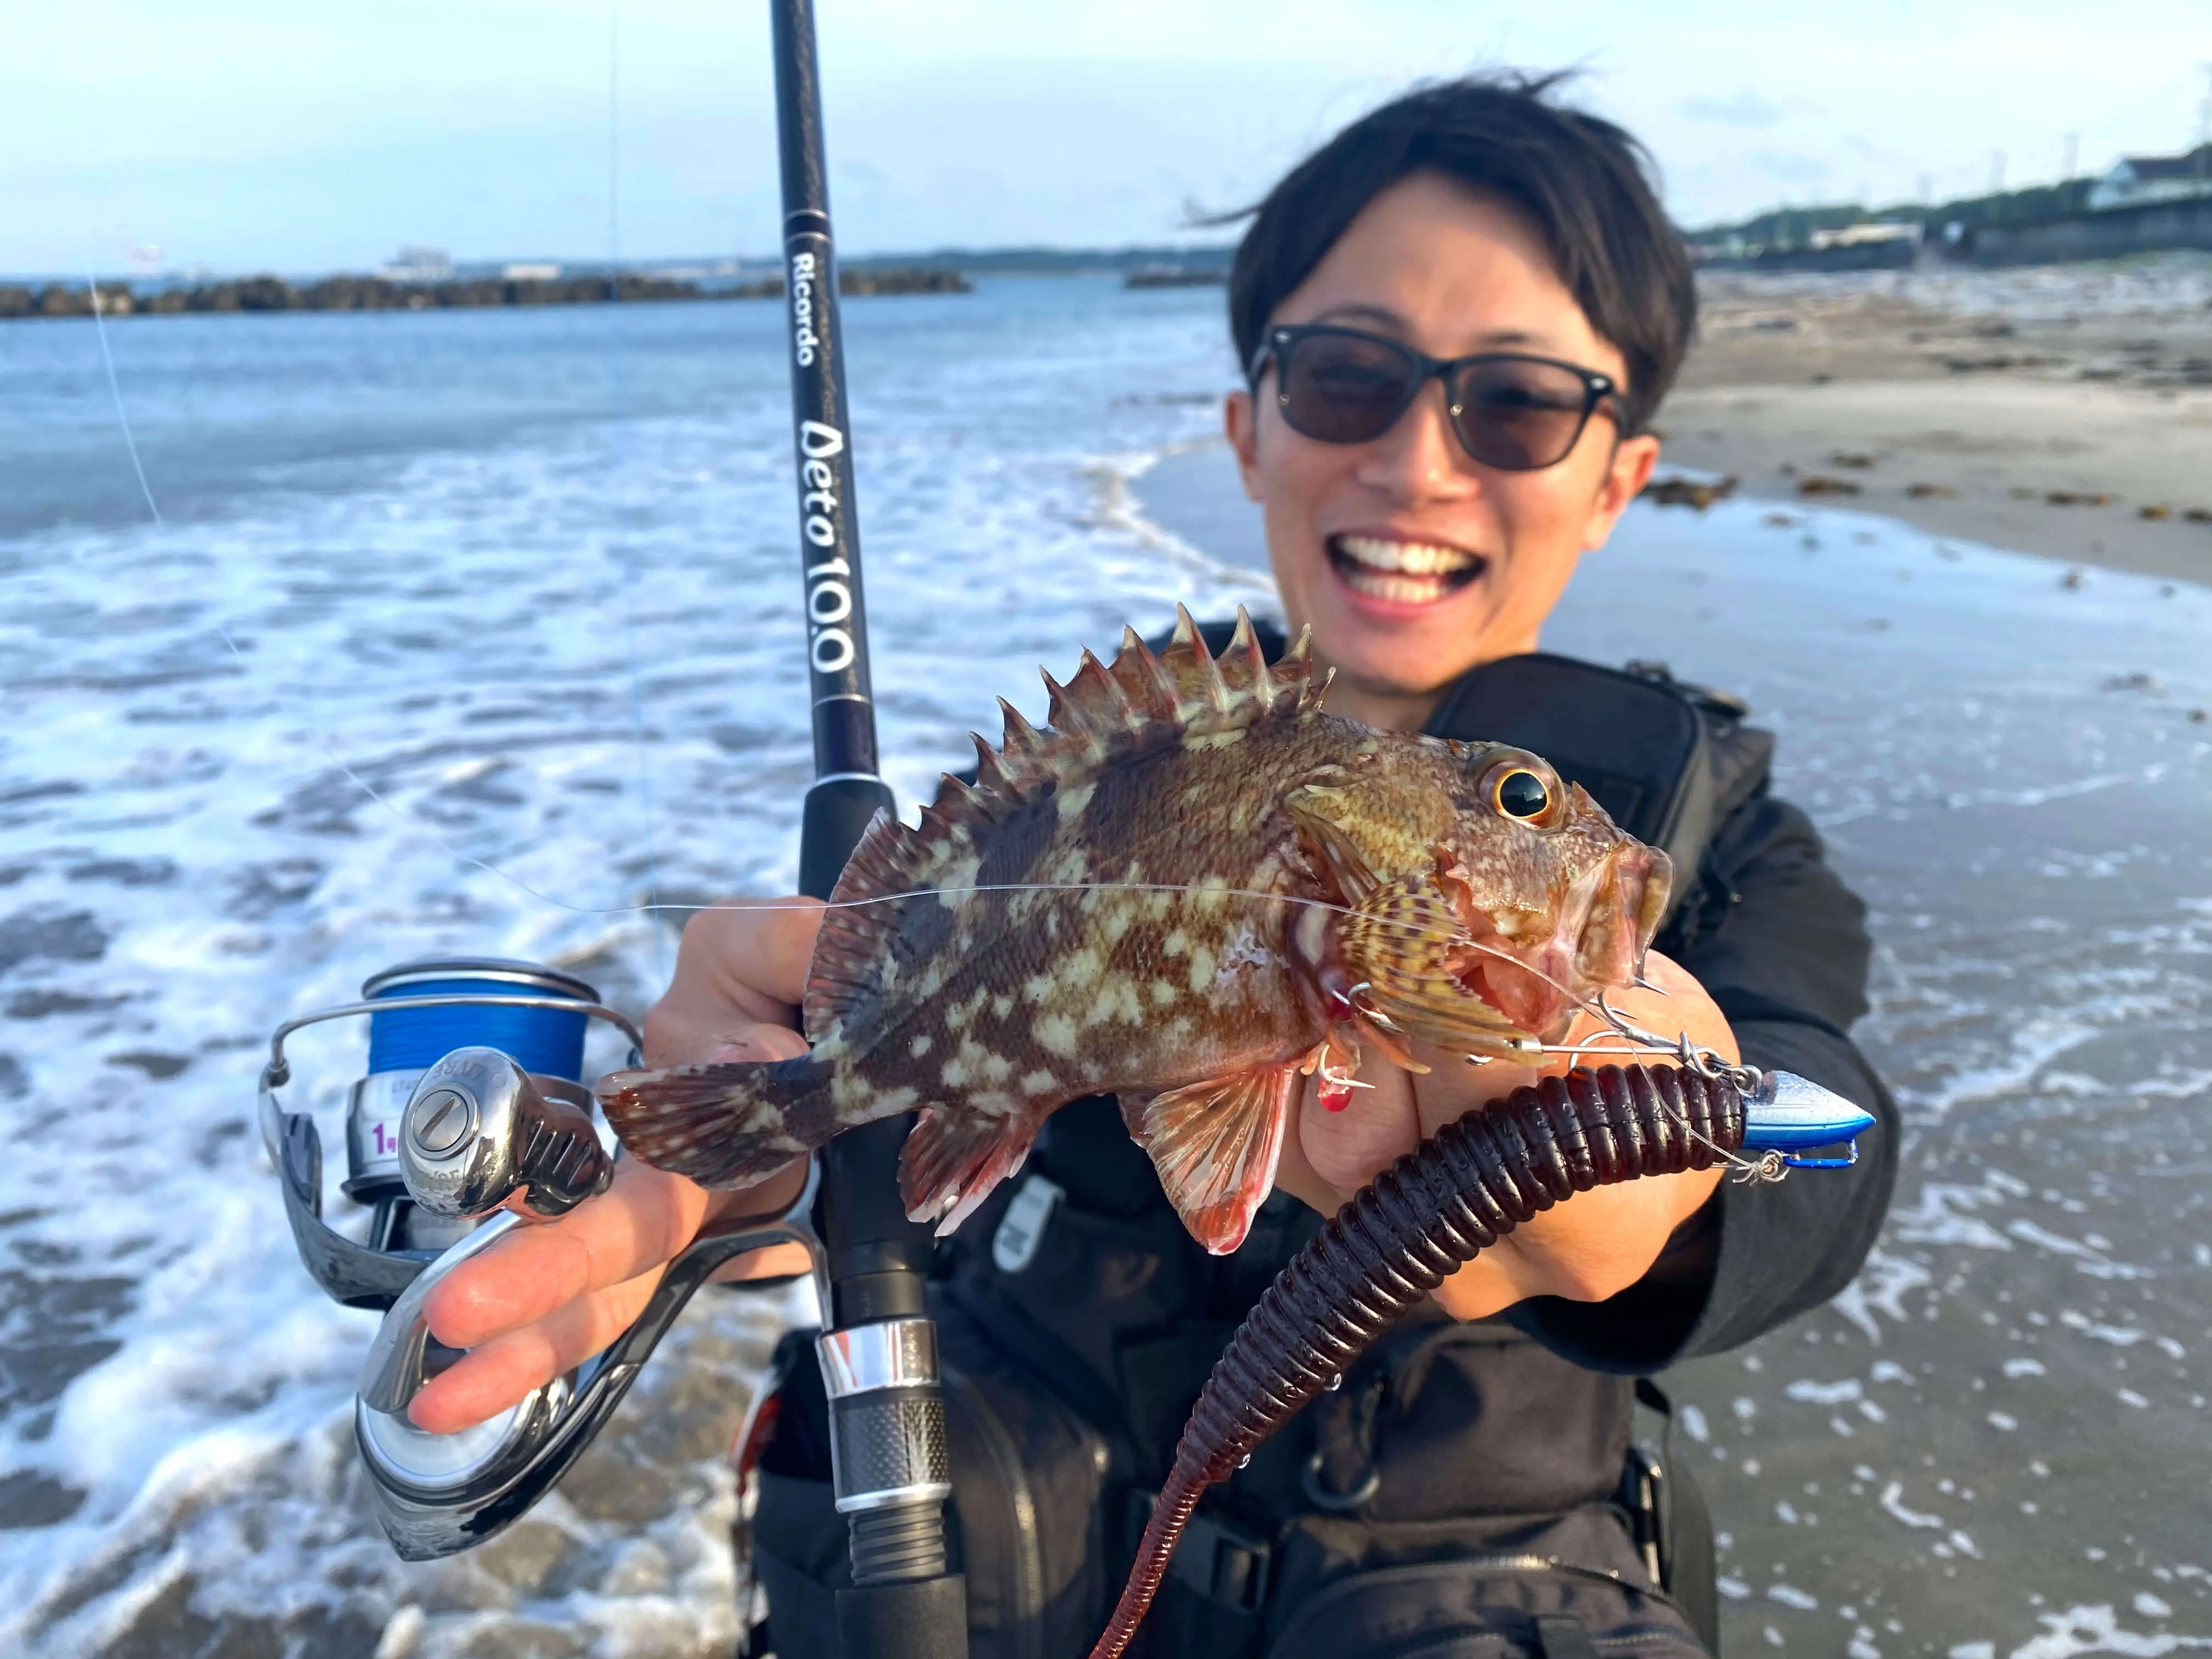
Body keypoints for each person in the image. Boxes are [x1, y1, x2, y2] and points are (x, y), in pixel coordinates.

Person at [406, 72, 1897, 1658]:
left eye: (1516, 404)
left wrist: (1668, 1146)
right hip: (1005, 1543)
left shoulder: (1733, 839)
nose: (1418, 461)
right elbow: (937, 1128)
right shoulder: (1122, 779)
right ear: (1246, 433)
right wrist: (783, 1166)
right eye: (1344, 378)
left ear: (1620, 475)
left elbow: (1832, 1134)